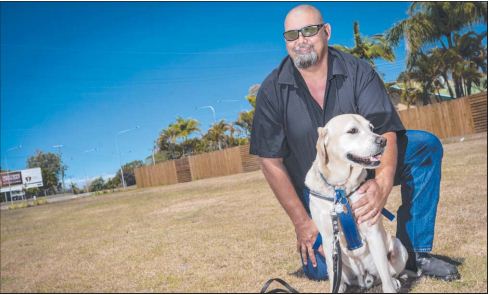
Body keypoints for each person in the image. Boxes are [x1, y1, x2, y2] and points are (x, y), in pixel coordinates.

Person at [250, 4, 459, 281]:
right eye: (292, 35)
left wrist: (382, 186)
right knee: (322, 270)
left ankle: (414, 252)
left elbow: (385, 131)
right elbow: (269, 159)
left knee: (425, 147)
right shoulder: (271, 90)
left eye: (309, 31)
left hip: (365, 171)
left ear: (326, 32)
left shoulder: (358, 71)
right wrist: (304, 224)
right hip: (319, 192)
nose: (300, 40)